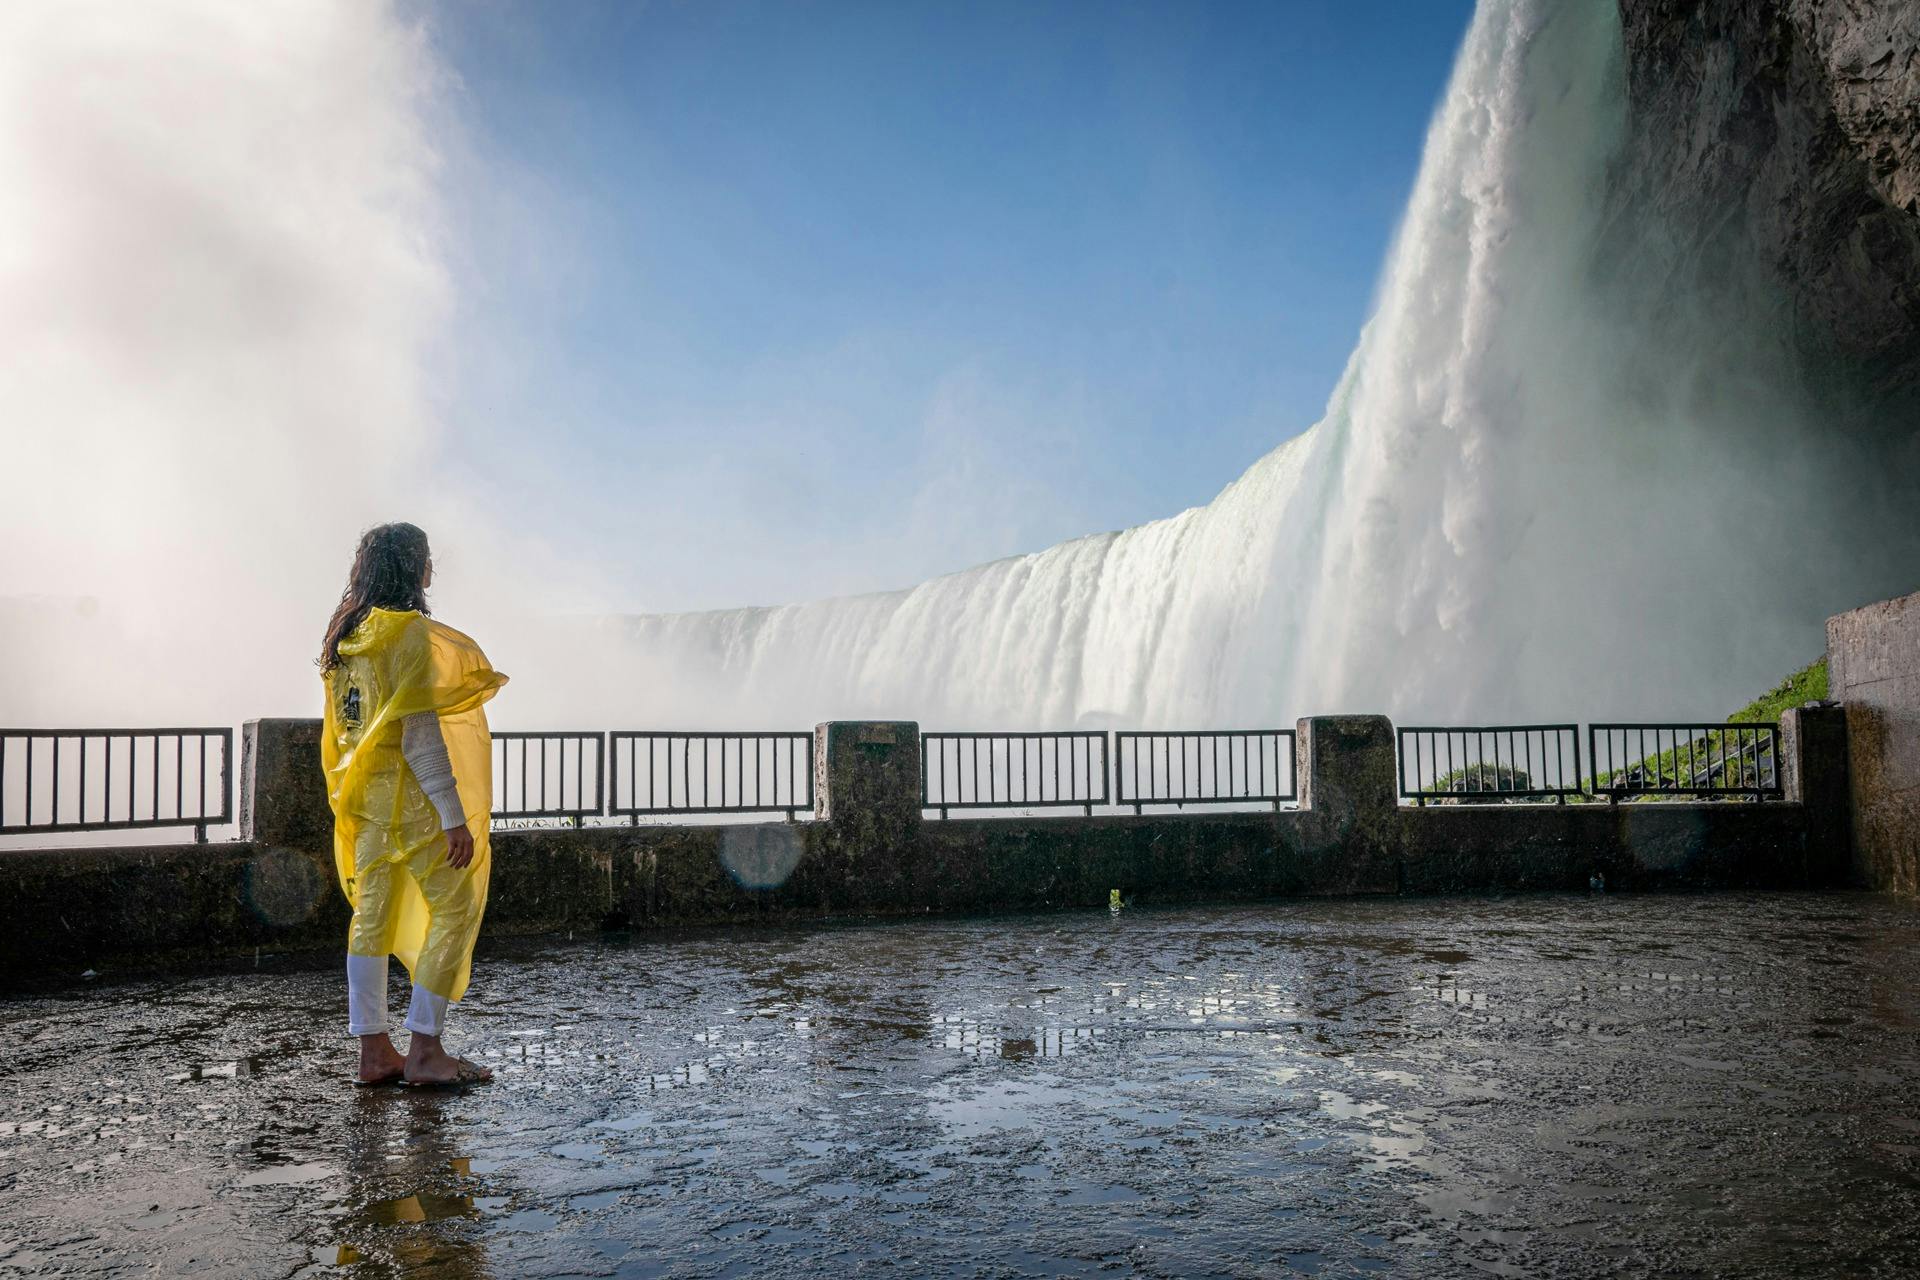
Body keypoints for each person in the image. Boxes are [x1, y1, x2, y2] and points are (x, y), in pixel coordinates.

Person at [318, 522, 508, 1087]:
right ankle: (425, 1049)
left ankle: (374, 1052)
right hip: (416, 808)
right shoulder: (409, 637)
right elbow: (420, 738)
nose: (432, 571)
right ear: (411, 569)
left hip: (366, 804)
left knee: (369, 922)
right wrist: (455, 818)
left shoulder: (344, 639)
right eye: (426, 560)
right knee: (456, 907)